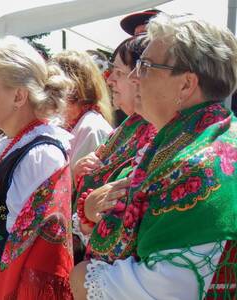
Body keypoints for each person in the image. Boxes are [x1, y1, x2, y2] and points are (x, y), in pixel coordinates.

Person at [73, 13, 237, 300]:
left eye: (146, 66)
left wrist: (81, 277)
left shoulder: (198, 162)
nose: (135, 77)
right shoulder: (177, 140)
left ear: (186, 84)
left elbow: (162, 290)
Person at [0, 36, 74, 299]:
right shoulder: (7, 146)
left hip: (8, 286)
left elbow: (26, 249)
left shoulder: (41, 155)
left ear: (19, 96)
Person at [71, 35, 156, 263]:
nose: (109, 81)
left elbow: (118, 207)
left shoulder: (156, 131)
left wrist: (88, 210)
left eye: (118, 73)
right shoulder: (129, 126)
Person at [52, 50, 114, 170]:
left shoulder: (91, 128)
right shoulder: (67, 123)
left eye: (54, 86)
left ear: (72, 88)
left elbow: (87, 184)